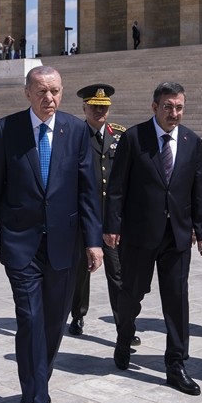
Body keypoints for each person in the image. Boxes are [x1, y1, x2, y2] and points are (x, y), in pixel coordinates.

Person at [0, 65, 102, 403]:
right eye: (42, 91)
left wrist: (94, 240)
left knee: (53, 325)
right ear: (27, 93)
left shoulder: (77, 129)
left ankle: (37, 382)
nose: (49, 98)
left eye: (55, 91)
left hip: (65, 243)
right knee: (30, 322)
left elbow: (87, 189)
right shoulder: (7, 129)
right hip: (21, 243)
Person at [104, 81, 202, 395]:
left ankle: (176, 364)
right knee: (131, 294)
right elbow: (117, 188)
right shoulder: (134, 138)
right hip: (139, 234)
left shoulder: (192, 141)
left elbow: (198, 191)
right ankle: (124, 338)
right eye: (167, 106)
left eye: (179, 107)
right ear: (154, 107)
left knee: (177, 301)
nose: (173, 113)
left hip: (177, 236)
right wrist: (112, 225)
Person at [68, 84, 130, 341]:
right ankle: (78, 314)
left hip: (112, 219)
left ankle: (123, 325)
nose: (99, 111)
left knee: (117, 275)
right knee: (81, 271)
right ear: (84, 108)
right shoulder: (74, 135)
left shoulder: (120, 136)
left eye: (103, 107)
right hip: (84, 218)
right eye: (94, 106)